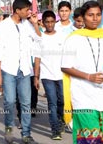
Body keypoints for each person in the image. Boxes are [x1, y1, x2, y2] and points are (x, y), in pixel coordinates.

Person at [61, 1, 103, 143]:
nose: (95, 18)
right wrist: (88, 76)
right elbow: (65, 66)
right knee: (89, 139)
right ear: (82, 17)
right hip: (83, 97)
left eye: (98, 15)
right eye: (90, 15)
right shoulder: (73, 39)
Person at [0, 0, 41, 144]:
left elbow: (40, 40)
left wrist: (35, 24)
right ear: (17, 10)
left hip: (25, 70)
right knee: (9, 101)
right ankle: (9, 126)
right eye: (26, 9)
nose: (29, 12)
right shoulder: (4, 26)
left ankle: (26, 134)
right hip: (9, 69)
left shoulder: (27, 24)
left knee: (26, 103)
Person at [33, 11, 66, 140]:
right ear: (43, 23)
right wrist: (36, 77)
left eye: (52, 21)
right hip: (47, 76)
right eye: (47, 22)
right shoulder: (40, 37)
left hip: (62, 75)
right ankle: (55, 129)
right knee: (52, 102)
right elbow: (37, 58)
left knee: (61, 100)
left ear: (55, 22)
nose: (50, 24)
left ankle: (60, 119)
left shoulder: (62, 36)